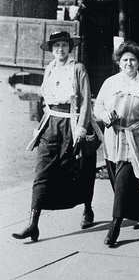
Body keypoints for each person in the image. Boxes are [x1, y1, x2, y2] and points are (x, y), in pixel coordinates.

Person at [13, 31, 98, 242]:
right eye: (56, 46)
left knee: (79, 168)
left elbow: (86, 99)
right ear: (51, 50)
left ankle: (87, 208)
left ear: (70, 48)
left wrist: (81, 127)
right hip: (51, 124)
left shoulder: (77, 69)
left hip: (72, 121)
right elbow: (45, 100)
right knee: (42, 170)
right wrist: (41, 124)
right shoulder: (49, 68)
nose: (60, 50)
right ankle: (33, 223)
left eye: (64, 45)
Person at [94, 41, 139, 247]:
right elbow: (98, 108)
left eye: (133, 60)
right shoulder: (110, 83)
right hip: (113, 136)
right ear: (118, 62)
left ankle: (115, 227)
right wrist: (105, 116)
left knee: (125, 179)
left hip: (137, 137)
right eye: (125, 60)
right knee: (119, 179)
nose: (129, 63)